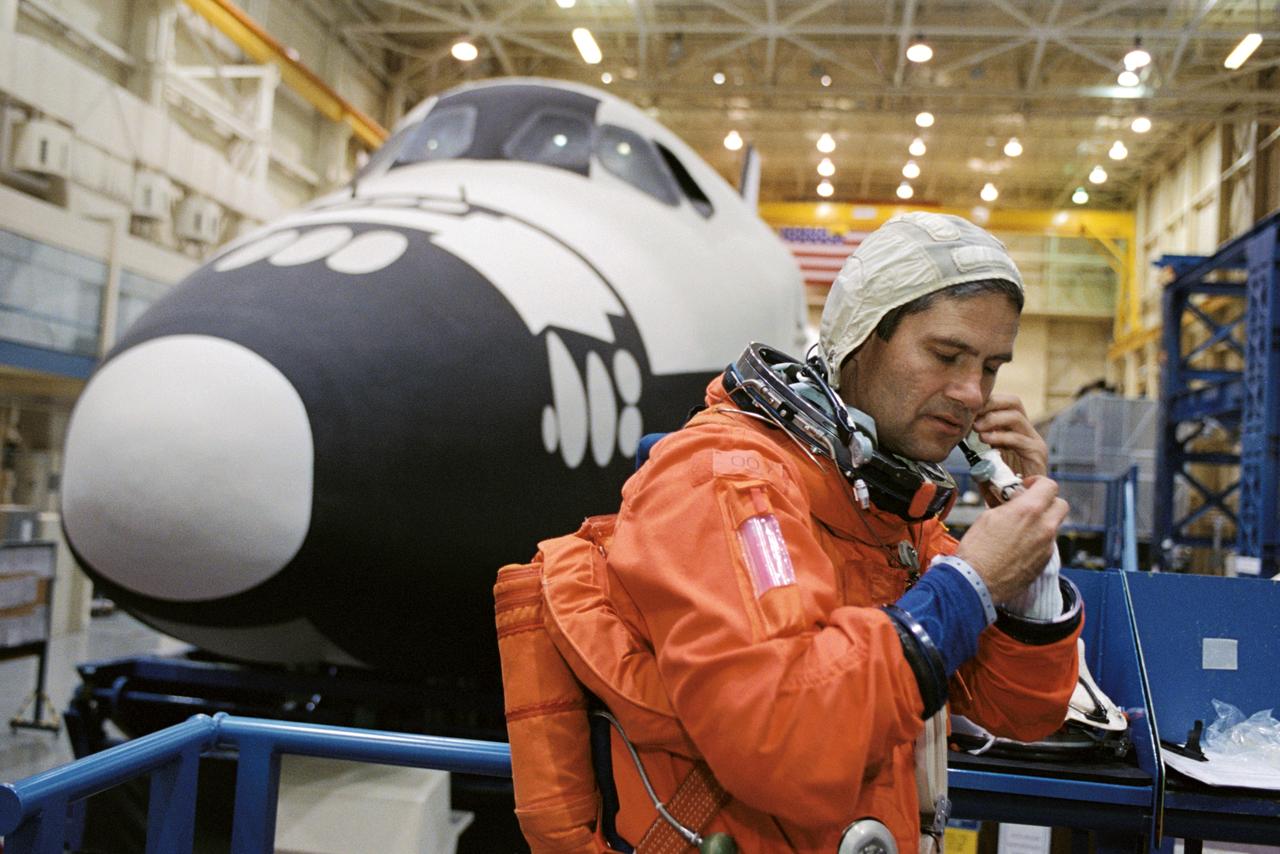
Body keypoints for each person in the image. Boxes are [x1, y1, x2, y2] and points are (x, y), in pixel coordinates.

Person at [504, 212, 1083, 854]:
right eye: (946, 355)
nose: (971, 393)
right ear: (859, 339)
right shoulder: (730, 481)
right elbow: (782, 738)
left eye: (992, 367)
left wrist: (1030, 559)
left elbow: (1023, 711)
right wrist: (967, 587)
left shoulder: (886, 511)